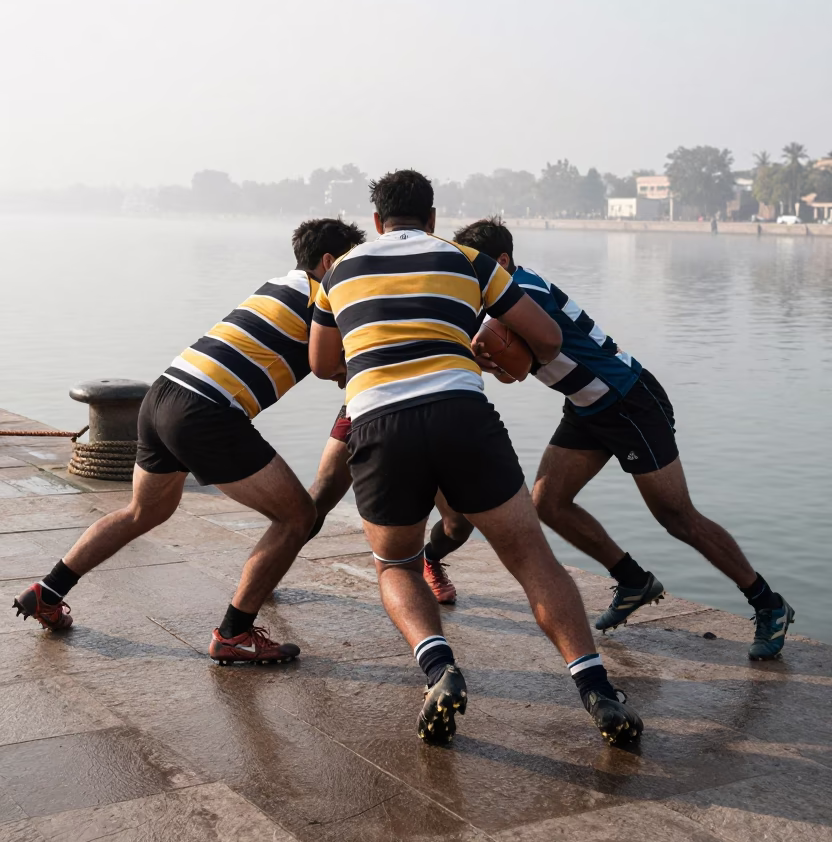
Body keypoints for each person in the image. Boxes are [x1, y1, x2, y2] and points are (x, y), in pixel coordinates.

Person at [309, 170, 644, 747]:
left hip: (378, 423)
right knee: (533, 559)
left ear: (376, 222)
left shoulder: (338, 270)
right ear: (433, 218)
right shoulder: (468, 259)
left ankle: (441, 669)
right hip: (462, 414)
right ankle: (597, 689)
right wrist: (497, 357)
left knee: (397, 566)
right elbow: (549, 340)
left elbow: (320, 363)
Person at [421, 217, 793, 662]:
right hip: (586, 406)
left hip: (628, 400)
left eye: (476, 266)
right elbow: (514, 372)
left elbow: (507, 350)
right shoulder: (502, 306)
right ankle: (633, 579)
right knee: (548, 502)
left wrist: (466, 346)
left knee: (676, 516)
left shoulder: (524, 288)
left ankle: (768, 603)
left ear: (501, 261)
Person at [13, 218, 365, 663]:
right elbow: (343, 357)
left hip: (162, 396)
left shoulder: (279, 286)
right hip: (205, 410)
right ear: (330, 262)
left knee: (145, 510)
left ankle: (48, 590)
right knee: (297, 516)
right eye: (355, 262)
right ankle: (234, 633)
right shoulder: (323, 295)